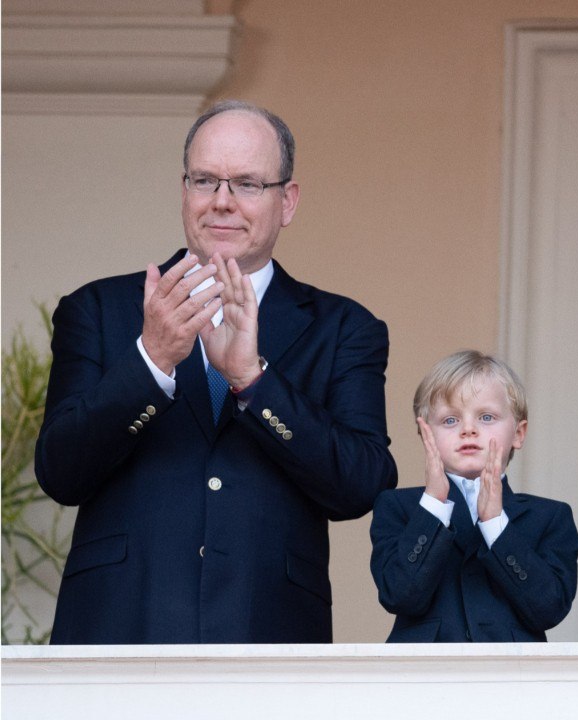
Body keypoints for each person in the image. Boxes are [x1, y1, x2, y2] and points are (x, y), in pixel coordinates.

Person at [34, 100, 398, 644]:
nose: (222, 202)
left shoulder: (345, 327)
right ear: (185, 191)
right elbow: (60, 472)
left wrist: (255, 380)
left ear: (287, 201)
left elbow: (362, 485)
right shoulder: (98, 309)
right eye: (206, 180)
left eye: (247, 184)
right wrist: (151, 361)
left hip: (268, 637)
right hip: (118, 630)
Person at [370, 350, 578, 642]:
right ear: (425, 433)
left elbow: (548, 609)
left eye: (486, 417)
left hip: (513, 680)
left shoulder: (551, 517)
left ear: (518, 433)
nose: (468, 429)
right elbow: (399, 596)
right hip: (423, 679)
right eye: (450, 420)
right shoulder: (398, 507)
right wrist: (434, 505)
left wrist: (496, 524)